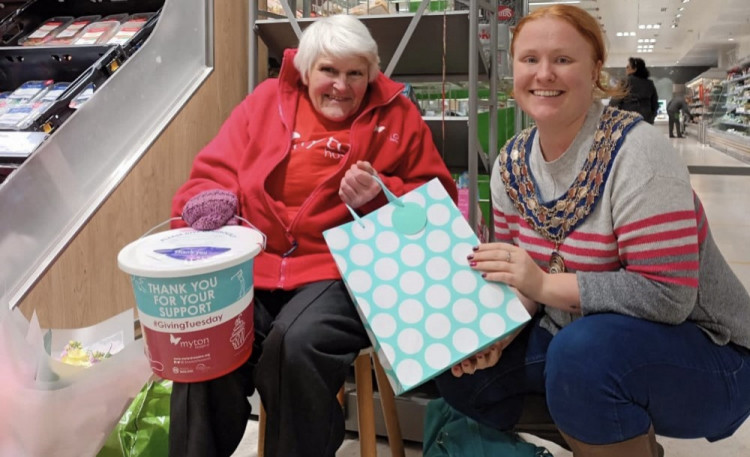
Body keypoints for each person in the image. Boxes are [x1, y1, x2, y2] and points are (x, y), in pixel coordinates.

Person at [435, 4, 750, 457]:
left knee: (583, 357)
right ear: (513, 69)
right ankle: (614, 433)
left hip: (709, 353)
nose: (544, 74)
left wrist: (543, 283)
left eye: (563, 59)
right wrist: (497, 334)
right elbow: (516, 276)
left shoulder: (638, 153)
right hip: (578, 341)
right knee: (463, 368)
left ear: (596, 69)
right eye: (529, 60)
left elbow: (668, 296)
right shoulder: (510, 163)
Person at [167, 14, 457, 457]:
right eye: (328, 71)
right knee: (206, 343)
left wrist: (380, 195)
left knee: (296, 344)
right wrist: (208, 202)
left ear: (371, 75)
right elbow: (212, 172)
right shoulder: (266, 101)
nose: (341, 86)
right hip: (256, 263)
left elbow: (439, 206)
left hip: (342, 268)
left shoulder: (398, 115)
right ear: (306, 70)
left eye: (355, 73)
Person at [609, 56, 659, 124]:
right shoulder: (649, 83)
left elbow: (614, 101)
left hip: (628, 120)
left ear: (635, 69)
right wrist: (651, 117)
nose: (626, 68)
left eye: (628, 67)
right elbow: (655, 104)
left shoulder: (625, 82)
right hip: (646, 120)